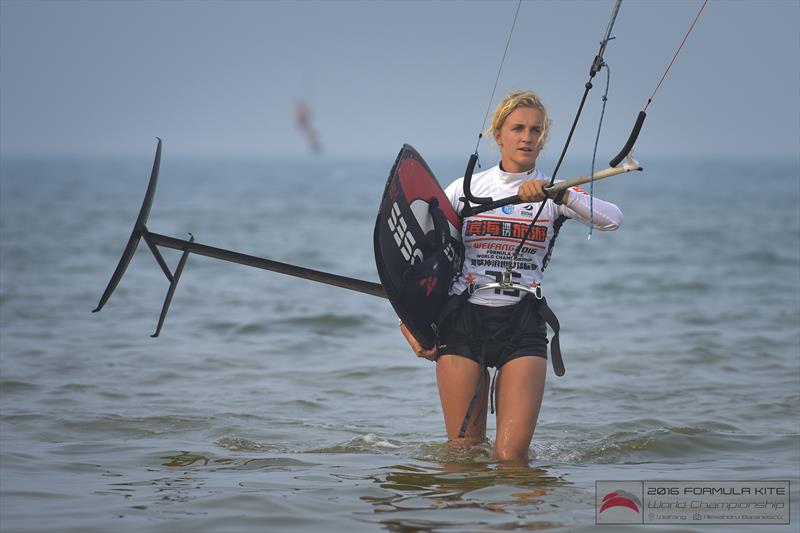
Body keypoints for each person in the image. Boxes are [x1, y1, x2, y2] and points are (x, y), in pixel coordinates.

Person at [399, 90, 623, 464]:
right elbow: (414, 262)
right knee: (463, 457)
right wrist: (409, 327)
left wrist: (560, 196)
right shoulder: (465, 190)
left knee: (511, 458)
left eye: (535, 131)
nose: (527, 138)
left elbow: (613, 219)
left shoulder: (555, 193)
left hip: (523, 321)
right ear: (497, 134)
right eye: (517, 128)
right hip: (462, 319)